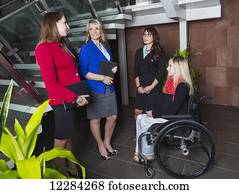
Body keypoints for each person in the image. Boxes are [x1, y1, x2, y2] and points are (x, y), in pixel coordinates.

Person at [35, 12, 88, 174]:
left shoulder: (61, 44)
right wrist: (75, 97)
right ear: (54, 24)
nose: (68, 26)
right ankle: (59, 172)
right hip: (62, 100)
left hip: (70, 98)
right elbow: (51, 84)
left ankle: (69, 163)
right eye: (64, 23)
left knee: (69, 134)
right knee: (62, 138)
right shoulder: (43, 48)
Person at [134, 56, 194, 162]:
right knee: (139, 117)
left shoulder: (182, 86)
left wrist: (154, 113)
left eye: (170, 66)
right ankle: (139, 151)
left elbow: (172, 110)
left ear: (178, 68)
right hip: (173, 116)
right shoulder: (179, 83)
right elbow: (171, 103)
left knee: (143, 120)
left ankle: (148, 154)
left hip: (175, 120)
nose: (167, 68)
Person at [79, 19, 118, 160]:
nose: (95, 31)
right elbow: (84, 72)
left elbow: (107, 64)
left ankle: (107, 142)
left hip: (109, 86)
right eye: (91, 29)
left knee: (112, 117)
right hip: (95, 88)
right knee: (96, 119)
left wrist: (113, 68)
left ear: (101, 30)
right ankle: (100, 144)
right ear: (88, 32)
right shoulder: (86, 48)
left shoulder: (105, 46)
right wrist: (102, 78)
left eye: (97, 28)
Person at [134, 27, 166, 118]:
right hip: (141, 88)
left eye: (149, 35)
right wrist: (138, 86)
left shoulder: (159, 52)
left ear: (154, 37)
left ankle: (151, 132)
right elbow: (135, 70)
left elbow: (161, 72)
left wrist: (151, 87)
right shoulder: (138, 52)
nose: (146, 37)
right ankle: (140, 132)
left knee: (151, 114)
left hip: (154, 87)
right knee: (137, 112)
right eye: (144, 34)